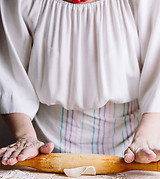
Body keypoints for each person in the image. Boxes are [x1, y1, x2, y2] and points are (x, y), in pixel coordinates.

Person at [0, 0, 160, 166]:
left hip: (132, 147)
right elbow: (10, 74)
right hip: (45, 149)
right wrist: (26, 137)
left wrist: (145, 140)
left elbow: (157, 74)